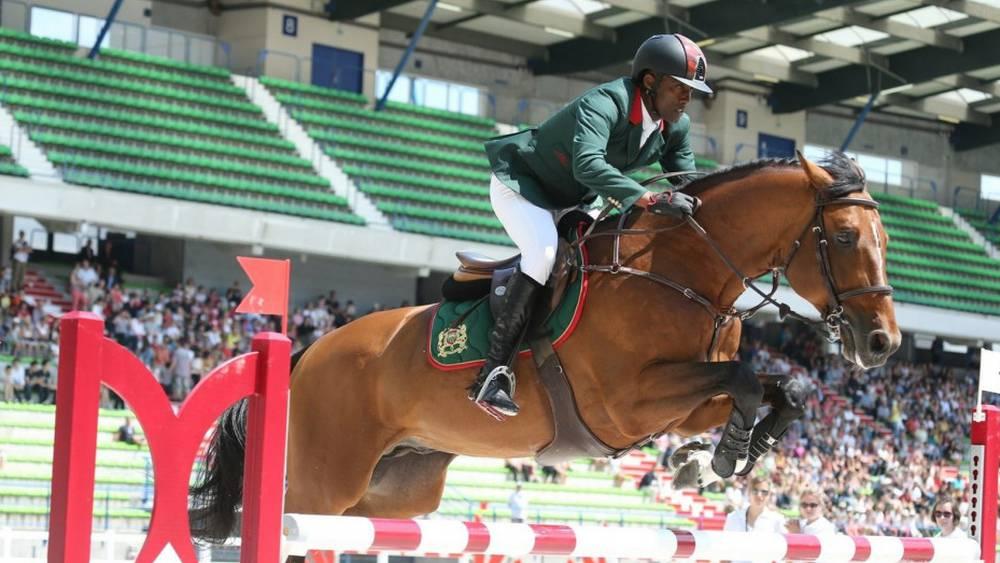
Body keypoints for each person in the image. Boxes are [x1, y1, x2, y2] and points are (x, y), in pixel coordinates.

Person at [469, 33, 711, 418]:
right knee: (544, 254)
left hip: (575, 199)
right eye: (678, 87)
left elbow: (689, 182)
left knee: (603, 258)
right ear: (650, 81)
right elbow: (587, 165)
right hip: (524, 186)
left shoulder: (674, 126)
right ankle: (493, 373)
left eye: (691, 91)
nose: (686, 98)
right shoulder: (606, 103)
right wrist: (649, 199)